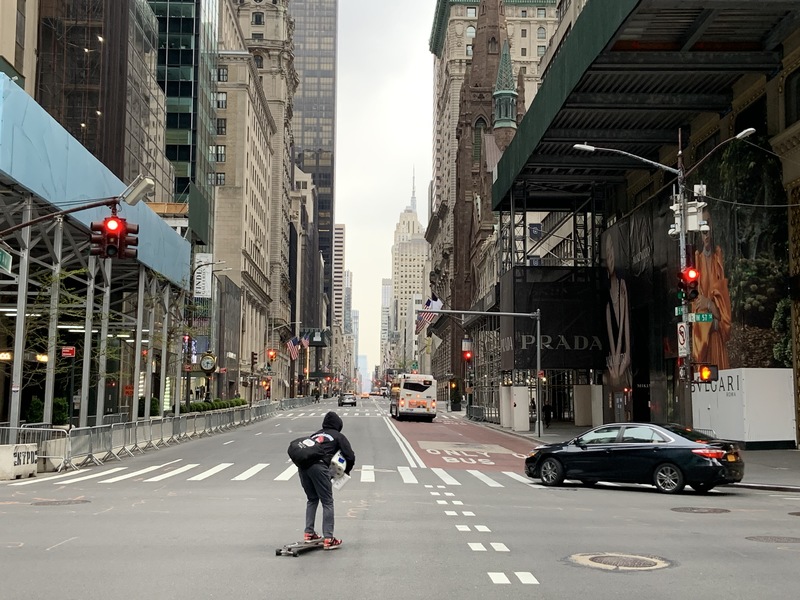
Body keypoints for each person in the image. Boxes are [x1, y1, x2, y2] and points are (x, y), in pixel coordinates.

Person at [298, 411, 355, 549]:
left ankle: (309, 533)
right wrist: (344, 472)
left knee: (312, 499)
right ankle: (329, 538)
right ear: (338, 425)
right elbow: (350, 456)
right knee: (327, 502)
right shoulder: (338, 436)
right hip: (319, 467)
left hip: (303, 467)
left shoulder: (315, 435)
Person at [692, 208, 732, 369]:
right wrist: (712, 312)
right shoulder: (696, 260)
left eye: (707, 226)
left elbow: (724, 314)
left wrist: (710, 305)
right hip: (704, 341)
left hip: (717, 340)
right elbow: (696, 307)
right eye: (702, 229)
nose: (706, 234)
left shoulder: (719, 259)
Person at [604, 234, 632, 390]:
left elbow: (625, 326)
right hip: (617, 361)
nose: (611, 257)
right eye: (607, 254)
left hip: (623, 360)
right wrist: (615, 366)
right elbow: (612, 339)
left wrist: (622, 361)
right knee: (613, 376)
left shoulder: (623, 287)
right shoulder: (607, 297)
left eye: (612, 253)